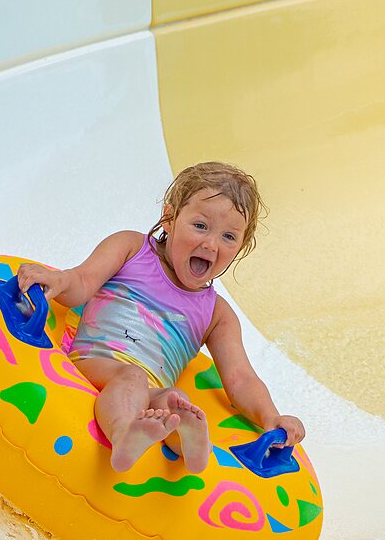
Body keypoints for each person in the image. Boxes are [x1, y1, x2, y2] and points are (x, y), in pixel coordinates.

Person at [16, 162, 305, 473]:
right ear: (169, 218)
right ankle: (124, 434)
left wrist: (271, 417)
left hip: (149, 392)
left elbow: (240, 379)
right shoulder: (131, 248)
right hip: (95, 362)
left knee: (175, 402)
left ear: (241, 247)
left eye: (229, 237)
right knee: (132, 377)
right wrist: (58, 281)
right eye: (200, 226)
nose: (211, 244)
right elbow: (83, 283)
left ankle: (191, 447)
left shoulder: (217, 314)